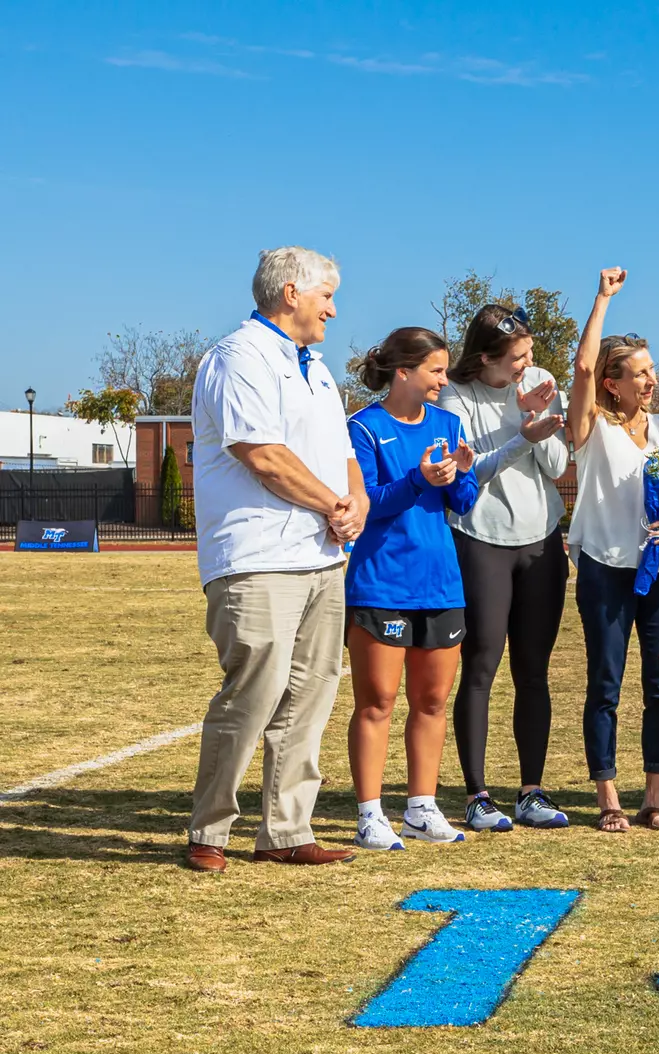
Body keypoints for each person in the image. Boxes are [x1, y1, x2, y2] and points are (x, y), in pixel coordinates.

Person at [184, 246, 364, 872]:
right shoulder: (239, 357)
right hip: (257, 555)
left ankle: (287, 830)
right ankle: (210, 831)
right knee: (254, 692)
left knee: (313, 693)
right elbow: (260, 454)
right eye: (326, 297)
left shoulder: (318, 369)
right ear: (291, 292)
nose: (333, 310)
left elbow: (343, 455)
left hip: (321, 557)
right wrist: (333, 506)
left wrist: (355, 503)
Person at [436, 305, 572, 833]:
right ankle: (477, 796)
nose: (528, 366)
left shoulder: (539, 381)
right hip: (479, 539)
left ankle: (531, 792)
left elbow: (558, 466)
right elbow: (474, 472)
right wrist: (521, 427)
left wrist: (533, 419)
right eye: (518, 358)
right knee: (482, 665)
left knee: (533, 671)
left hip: (540, 538)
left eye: (530, 354)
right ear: (487, 357)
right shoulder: (455, 394)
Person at [344, 327, 479, 850]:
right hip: (381, 584)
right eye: (436, 371)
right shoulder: (363, 427)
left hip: (442, 585)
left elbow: (462, 502)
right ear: (404, 372)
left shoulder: (447, 422)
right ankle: (369, 813)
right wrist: (421, 479)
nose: (444, 381)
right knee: (376, 702)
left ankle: (421, 808)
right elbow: (366, 503)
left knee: (431, 701)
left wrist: (460, 475)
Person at [566, 267, 659, 832]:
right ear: (612, 383)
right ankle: (609, 797)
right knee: (606, 681)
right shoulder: (591, 427)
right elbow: (584, 365)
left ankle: (654, 798)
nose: (650, 379)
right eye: (638, 373)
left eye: (651, 369)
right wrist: (602, 300)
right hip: (606, 569)